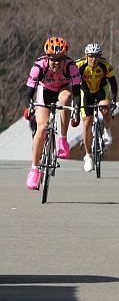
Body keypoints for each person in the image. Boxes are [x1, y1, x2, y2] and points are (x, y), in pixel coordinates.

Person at [23, 37, 82, 190]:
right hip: (45, 90)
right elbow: (29, 92)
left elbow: (76, 93)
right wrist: (29, 106)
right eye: (53, 59)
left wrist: (76, 110)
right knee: (42, 128)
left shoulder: (71, 67)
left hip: (63, 89)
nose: (57, 63)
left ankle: (63, 139)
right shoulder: (38, 67)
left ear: (65, 57)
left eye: (60, 59)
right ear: (47, 57)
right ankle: (34, 170)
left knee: (66, 98)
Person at [76, 43, 118, 172]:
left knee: (105, 108)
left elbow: (113, 84)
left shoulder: (105, 65)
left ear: (100, 57)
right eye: (91, 56)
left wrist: (114, 101)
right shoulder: (78, 66)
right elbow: (73, 86)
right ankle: (88, 156)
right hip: (85, 92)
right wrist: (76, 104)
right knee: (87, 122)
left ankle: (107, 129)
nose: (93, 59)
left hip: (101, 90)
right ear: (86, 56)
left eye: (96, 56)